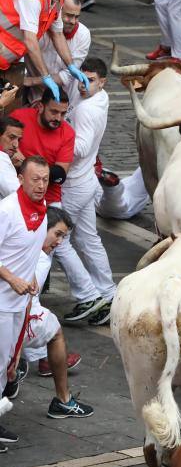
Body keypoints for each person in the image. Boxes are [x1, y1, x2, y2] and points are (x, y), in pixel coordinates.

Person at [12, 88, 107, 324]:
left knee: (57, 246)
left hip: (48, 197)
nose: (58, 118)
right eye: (54, 111)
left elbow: (60, 174)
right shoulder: (22, 118)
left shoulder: (67, 133)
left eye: (63, 113)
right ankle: (89, 296)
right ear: (40, 107)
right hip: (19, 192)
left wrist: (27, 164)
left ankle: (88, 296)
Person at [59, 57, 116, 326]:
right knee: (88, 239)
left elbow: (79, 148)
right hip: (86, 183)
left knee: (56, 240)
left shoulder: (86, 110)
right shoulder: (100, 98)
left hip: (74, 185)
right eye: (81, 78)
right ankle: (108, 294)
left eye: (90, 80)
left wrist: (56, 140)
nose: (83, 84)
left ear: (102, 82)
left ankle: (88, 295)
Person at [22, 207, 93, 419]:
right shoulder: (41, 259)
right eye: (57, 234)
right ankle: (63, 400)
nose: (60, 241)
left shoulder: (23, 244)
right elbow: (24, 297)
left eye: (63, 236)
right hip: (18, 318)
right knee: (55, 332)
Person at [0, 156, 49, 448]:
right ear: (20, 179)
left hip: (19, 305)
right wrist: (12, 279)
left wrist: (29, 277)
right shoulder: (6, 210)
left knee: (7, 363)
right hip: (2, 305)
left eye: (44, 180)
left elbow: (25, 254)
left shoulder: (41, 212)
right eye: (35, 179)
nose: (41, 185)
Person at [0, 0, 90, 102]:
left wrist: (71, 66)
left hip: (6, 62)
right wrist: (46, 76)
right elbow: (30, 40)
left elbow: (57, 34)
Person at [24, 0, 91, 103]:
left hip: (66, 100)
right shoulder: (38, 28)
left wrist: (31, 81)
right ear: (58, 11)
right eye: (69, 15)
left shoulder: (83, 34)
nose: (73, 21)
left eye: (77, 16)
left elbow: (66, 76)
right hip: (35, 98)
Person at [0, 116, 25, 199]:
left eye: (19, 140)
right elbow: (19, 196)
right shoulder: (1, 160)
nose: (16, 145)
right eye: (11, 137)